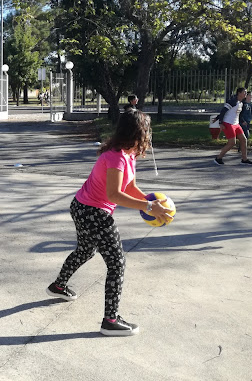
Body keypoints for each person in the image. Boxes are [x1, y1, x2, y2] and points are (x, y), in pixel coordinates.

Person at [45, 109, 173, 336]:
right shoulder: (115, 157)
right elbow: (114, 195)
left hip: (83, 207)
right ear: (138, 131)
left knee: (85, 251)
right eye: (147, 130)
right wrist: (149, 207)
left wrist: (149, 201)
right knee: (117, 263)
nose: (149, 135)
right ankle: (110, 321)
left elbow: (130, 187)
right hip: (92, 211)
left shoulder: (128, 154)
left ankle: (58, 286)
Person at [212, 87, 252, 165]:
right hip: (228, 123)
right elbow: (223, 111)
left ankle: (244, 159)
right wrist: (220, 122)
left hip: (236, 124)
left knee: (244, 140)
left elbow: (237, 114)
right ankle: (218, 158)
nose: (245, 94)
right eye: (244, 92)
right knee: (232, 143)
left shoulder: (241, 103)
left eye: (246, 92)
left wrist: (242, 121)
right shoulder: (233, 101)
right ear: (239, 93)